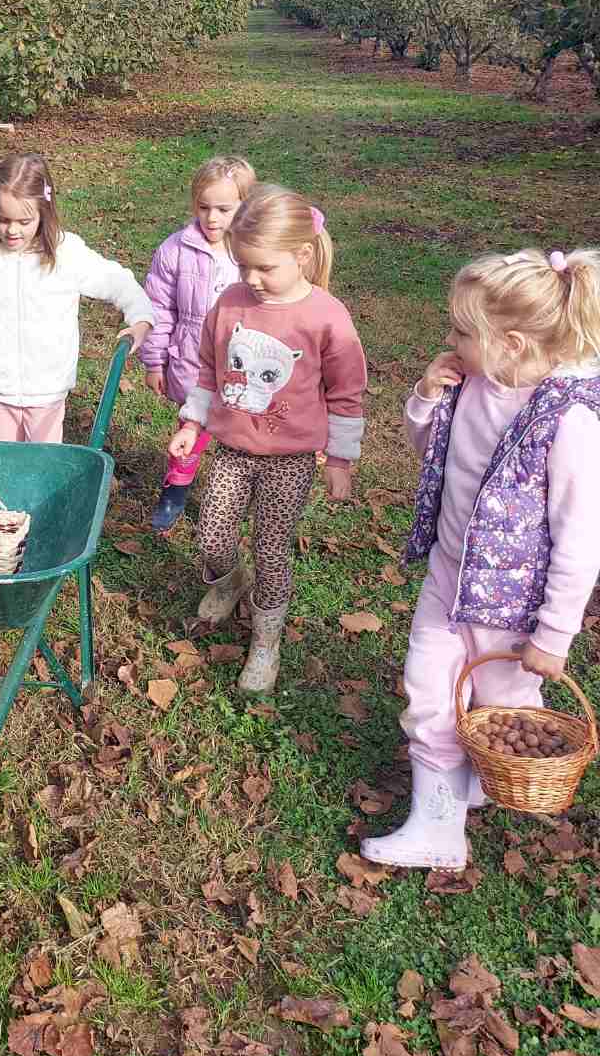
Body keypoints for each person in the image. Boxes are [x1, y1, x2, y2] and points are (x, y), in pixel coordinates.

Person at [362, 248, 600, 871]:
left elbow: (581, 538)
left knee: (501, 703)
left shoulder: (570, 420)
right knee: (426, 688)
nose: (449, 340)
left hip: (513, 607)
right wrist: (422, 398)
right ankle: (436, 822)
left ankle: (475, 782)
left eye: (462, 333)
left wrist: (554, 634)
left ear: (513, 343)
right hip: (449, 573)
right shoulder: (472, 383)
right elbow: (432, 450)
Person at [168, 184, 366, 694]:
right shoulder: (231, 303)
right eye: (242, 267)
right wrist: (193, 423)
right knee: (212, 538)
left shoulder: (327, 316)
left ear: (302, 255)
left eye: (264, 268)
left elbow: (347, 394)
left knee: (272, 549)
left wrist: (339, 460)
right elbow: (210, 370)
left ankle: (265, 641)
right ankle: (231, 583)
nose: (251, 279)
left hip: (290, 459)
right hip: (232, 450)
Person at [0, 153, 154, 442]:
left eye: (24, 221)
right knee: (7, 457)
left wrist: (140, 317)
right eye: (3, 219)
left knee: (43, 462)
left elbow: (116, 280)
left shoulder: (65, 253)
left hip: (48, 385)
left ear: (43, 212)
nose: (12, 230)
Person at [140, 156, 257, 532]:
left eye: (224, 209)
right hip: (193, 363)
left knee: (242, 435)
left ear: (245, 206)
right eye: (204, 208)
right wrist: (155, 361)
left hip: (245, 368)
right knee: (191, 429)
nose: (212, 218)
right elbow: (158, 307)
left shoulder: (252, 253)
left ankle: (237, 495)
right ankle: (176, 487)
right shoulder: (176, 249)